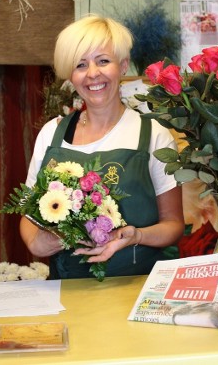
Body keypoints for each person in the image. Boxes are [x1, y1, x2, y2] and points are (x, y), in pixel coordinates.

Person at [20, 14, 184, 279]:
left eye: (103, 61)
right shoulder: (52, 134)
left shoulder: (154, 135)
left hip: (138, 288)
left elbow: (174, 225)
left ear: (123, 66)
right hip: (68, 291)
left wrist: (136, 236)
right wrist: (36, 242)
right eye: (80, 65)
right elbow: (27, 213)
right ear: (70, 75)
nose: (93, 74)